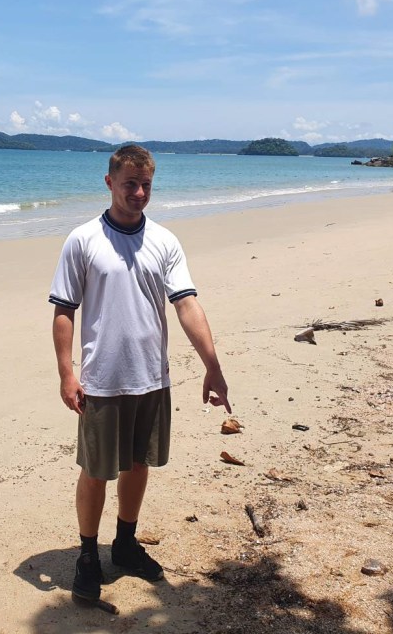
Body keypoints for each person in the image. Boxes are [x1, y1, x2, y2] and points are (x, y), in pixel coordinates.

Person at [48, 144, 231, 601]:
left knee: (138, 463)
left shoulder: (165, 241)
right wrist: (67, 374)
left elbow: (186, 304)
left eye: (146, 184)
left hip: (152, 377)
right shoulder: (83, 239)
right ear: (109, 182)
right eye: (130, 183)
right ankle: (88, 555)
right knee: (95, 470)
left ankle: (126, 544)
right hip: (102, 380)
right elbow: (64, 310)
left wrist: (213, 366)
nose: (139, 192)